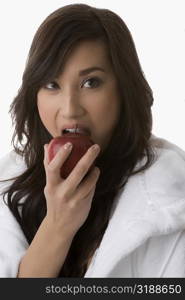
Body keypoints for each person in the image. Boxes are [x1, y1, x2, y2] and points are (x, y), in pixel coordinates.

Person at [0, 3, 185, 278]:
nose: (71, 109)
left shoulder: (172, 202)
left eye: (91, 83)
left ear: (124, 89)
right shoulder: (8, 185)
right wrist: (58, 225)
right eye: (51, 84)